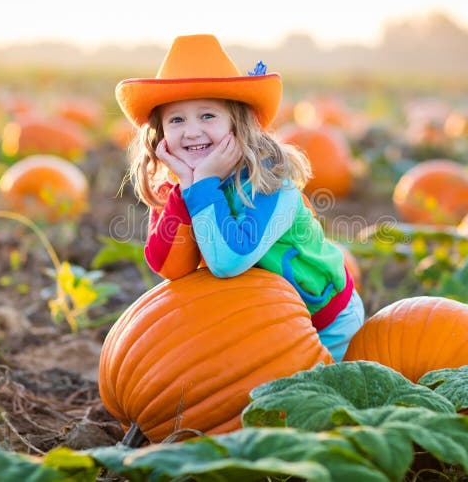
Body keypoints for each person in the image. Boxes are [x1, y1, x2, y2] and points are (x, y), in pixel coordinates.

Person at [116, 34, 364, 362]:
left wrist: (202, 184)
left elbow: (228, 260)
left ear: (238, 123)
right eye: (177, 120)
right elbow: (169, 266)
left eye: (207, 116)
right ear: (161, 135)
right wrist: (187, 189)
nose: (191, 131)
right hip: (261, 322)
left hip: (324, 323)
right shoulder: (180, 187)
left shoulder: (273, 184)